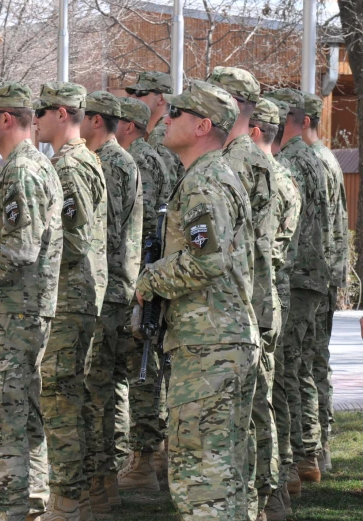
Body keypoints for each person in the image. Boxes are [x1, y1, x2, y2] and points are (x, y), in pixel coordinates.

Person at [135, 81, 259, 520]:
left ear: (203, 125)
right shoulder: (208, 175)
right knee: (225, 476)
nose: (166, 118)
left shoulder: (206, 180)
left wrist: (148, 278)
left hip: (210, 346)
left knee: (201, 480)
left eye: (177, 114)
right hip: (218, 342)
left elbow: (206, 263)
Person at [0, 81, 63, 521]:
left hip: (12, 314)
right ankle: (30, 507)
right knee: (20, 419)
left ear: (5, 119)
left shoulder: (24, 171)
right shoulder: (24, 168)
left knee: (2, 423)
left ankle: (15, 510)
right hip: (15, 313)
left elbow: (20, 248)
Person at [33, 82, 107, 520]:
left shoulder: (72, 168)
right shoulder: (78, 162)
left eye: (41, 111)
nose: (35, 119)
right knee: (67, 397)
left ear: (62, 113)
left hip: (70, 296)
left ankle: (67, 501)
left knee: (60, 400)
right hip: (75, 295)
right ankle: (80, 496)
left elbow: (74, 241)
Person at [207, 66, 277, 518]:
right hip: (252, 300)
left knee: (242, 416)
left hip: (240, 304)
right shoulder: (248, 158)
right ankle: (263, 498)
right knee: (249, 413)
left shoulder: (237, 161)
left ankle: (256, 501)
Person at [80, 90, 143, 515]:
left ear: (98, 121)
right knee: (107, 386)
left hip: (109, 293)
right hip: (116, 290)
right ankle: (107, 480)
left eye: (84, 117)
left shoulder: (111, 163)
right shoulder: (116, 160)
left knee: (98, 390)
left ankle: (103, 481)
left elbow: (107, 232)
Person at [266, 88, 329, 494]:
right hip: (312, 275)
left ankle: (292, 463)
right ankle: (307, 455)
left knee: (286, 372)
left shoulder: (289, 160)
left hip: (296, 274)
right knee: (300, 368)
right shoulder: (315, 158)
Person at [249, 97, 301, 520]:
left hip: (260, 298)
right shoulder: (284, 177)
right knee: (269, 396)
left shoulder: (260, 178)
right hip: (274, 295)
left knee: (258, 402)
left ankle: (269, 494)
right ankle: (277, 489)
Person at [115, 96, 171, 491]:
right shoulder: (156, 155)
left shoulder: (140, 158)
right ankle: (153, 454)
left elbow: (146, 219)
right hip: (155, 271)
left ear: (129, 127)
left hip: (145, 274)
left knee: (144, 368)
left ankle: (145, 459)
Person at [302, 93, 347, 473]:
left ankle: (309, 449)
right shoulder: (329, 159)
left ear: (302, 122)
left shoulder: (303, 161)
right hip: (323, 275)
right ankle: (320, 447)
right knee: (316, 363)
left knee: (302, 365)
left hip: (305, 275)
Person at [125, 71, 183, 193]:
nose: (132, 97)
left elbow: (163, 188)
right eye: (131, 93)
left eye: (140, 93)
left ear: (161, 98)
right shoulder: (150, 132)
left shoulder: (161, 133)